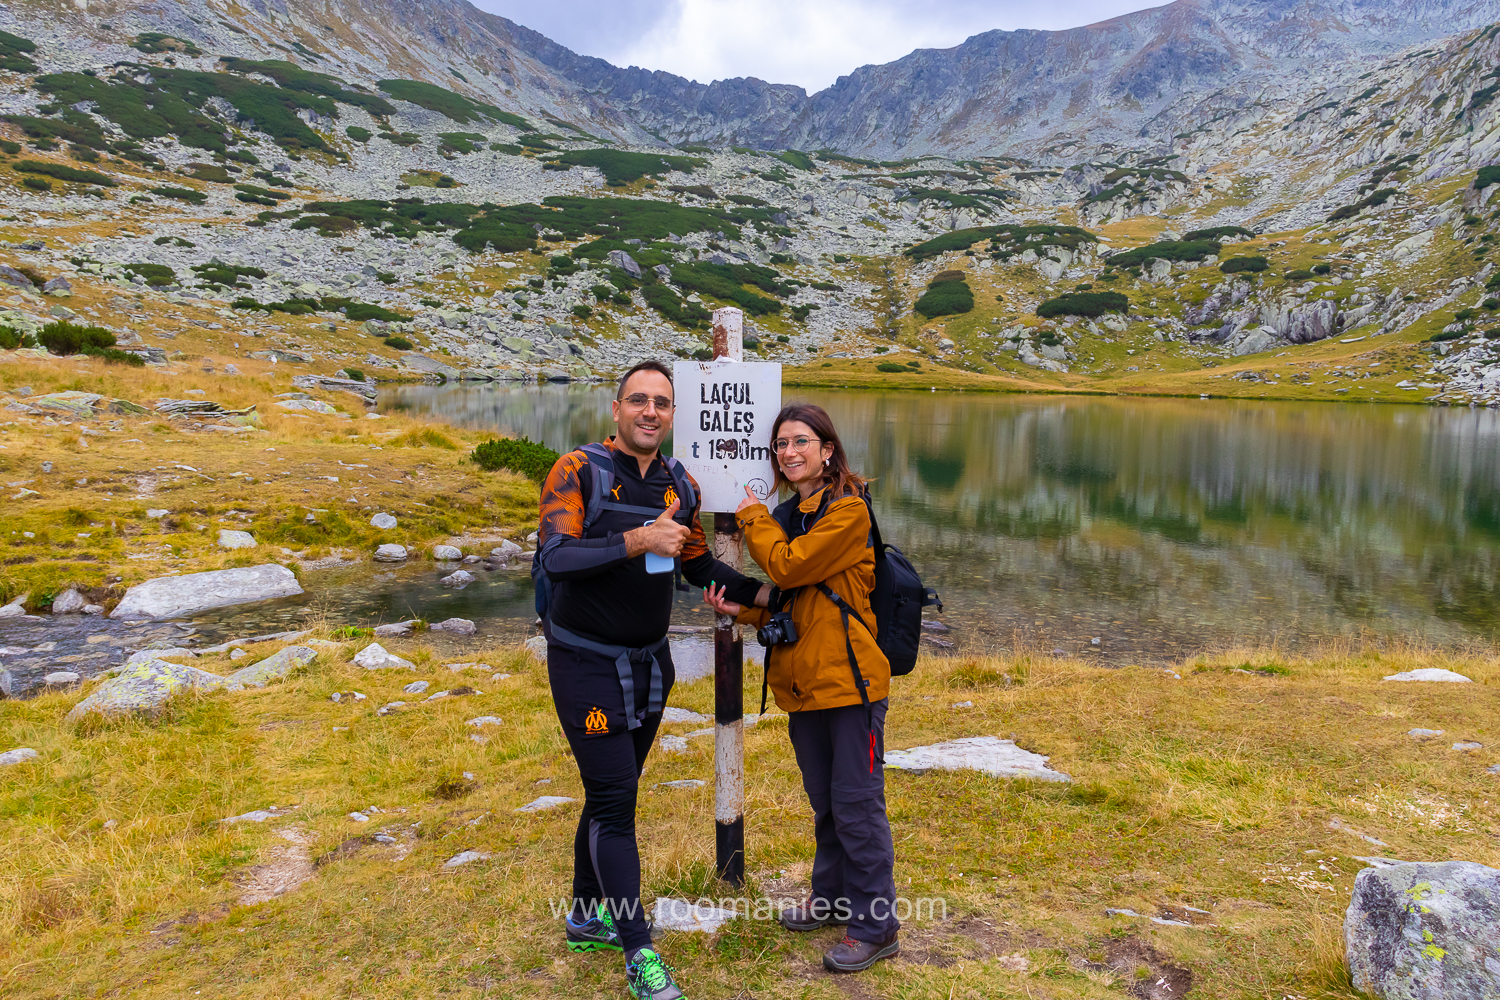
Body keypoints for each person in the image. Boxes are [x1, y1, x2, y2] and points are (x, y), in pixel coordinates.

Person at [536, 359, 769, 1000]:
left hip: (649, 664)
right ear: (616, 410)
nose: (649, 411)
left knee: (611, 789)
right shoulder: (578, 470)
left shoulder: (679, 485)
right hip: (583, 663)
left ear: (673, 414)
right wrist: (638, 540)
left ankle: (587, 914)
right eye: (637, 400)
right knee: (615, 799)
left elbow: (698, 567)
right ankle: (639, 953)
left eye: (661, 403)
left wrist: (781, 599)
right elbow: (557, 556)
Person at [704, 402, 900, 974]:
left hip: (851, 686)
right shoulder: (796, 514)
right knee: (826, 802)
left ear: (827, 449)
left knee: (858, 805)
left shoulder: (847, 512)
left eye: (800, 442)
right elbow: (797, 604)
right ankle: (832, 897)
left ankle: (876, 925)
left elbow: (789, 569)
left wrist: (750, 515)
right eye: (781, 445)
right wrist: (744, 612)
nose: (789, 453)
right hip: (807, 685)